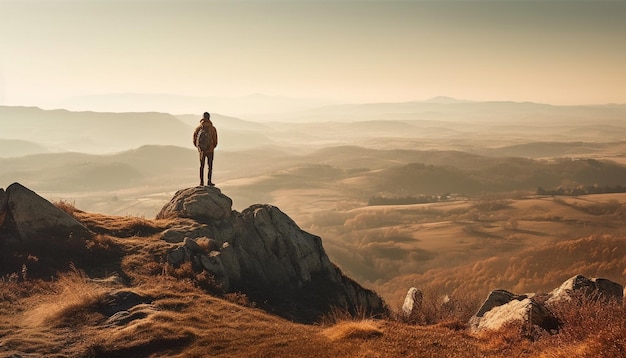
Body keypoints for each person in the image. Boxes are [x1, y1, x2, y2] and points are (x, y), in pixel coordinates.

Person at [193, 112, 218, 186]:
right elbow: (215, 140)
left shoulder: (198, 128)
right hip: (210, 150)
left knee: (201, 166)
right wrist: (212, 147)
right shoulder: (212, 128)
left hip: (202, 151)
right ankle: (209, 181)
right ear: (209, 118)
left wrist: (199, 148)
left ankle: (201, 182)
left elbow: (194, 139)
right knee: (209, 166)